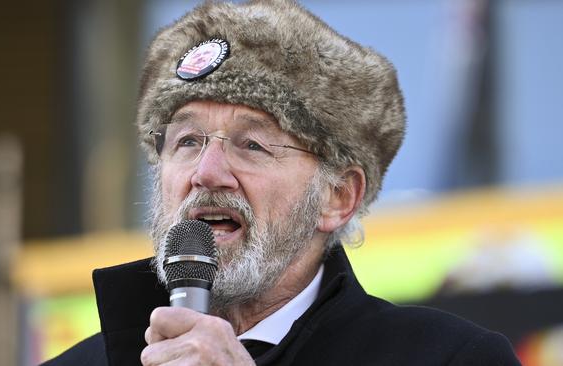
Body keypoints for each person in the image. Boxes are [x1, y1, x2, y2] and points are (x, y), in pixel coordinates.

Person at [45, 0, 520, 365]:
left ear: (337, 197)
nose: (205, 173)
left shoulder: (447, 357)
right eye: (187, 141)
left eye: (252, 145)